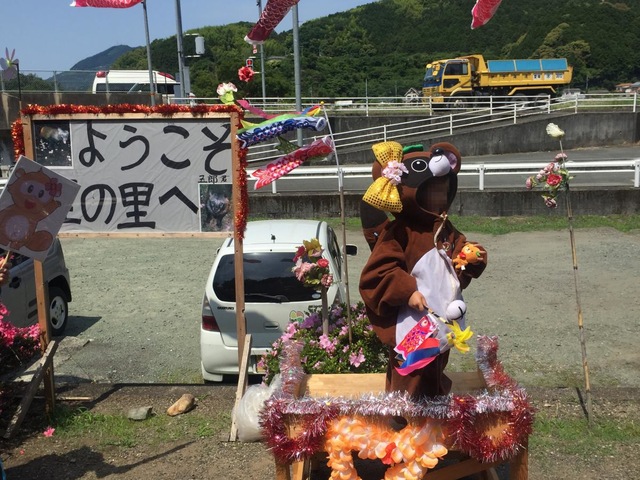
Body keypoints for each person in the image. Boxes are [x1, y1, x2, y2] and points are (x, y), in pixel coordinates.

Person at [359, 141, 487, 399]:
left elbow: (459, 253)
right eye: (431, 192)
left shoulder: (444, 227)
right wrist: (407, 292)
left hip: (442, 313)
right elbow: (379, 272)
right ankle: (403, 412)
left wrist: (471, 256)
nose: (439, 199)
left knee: (437, 360)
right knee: (410, 369)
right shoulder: (401, 231)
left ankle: (433, 405)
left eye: (443, 191)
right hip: (413, 318)